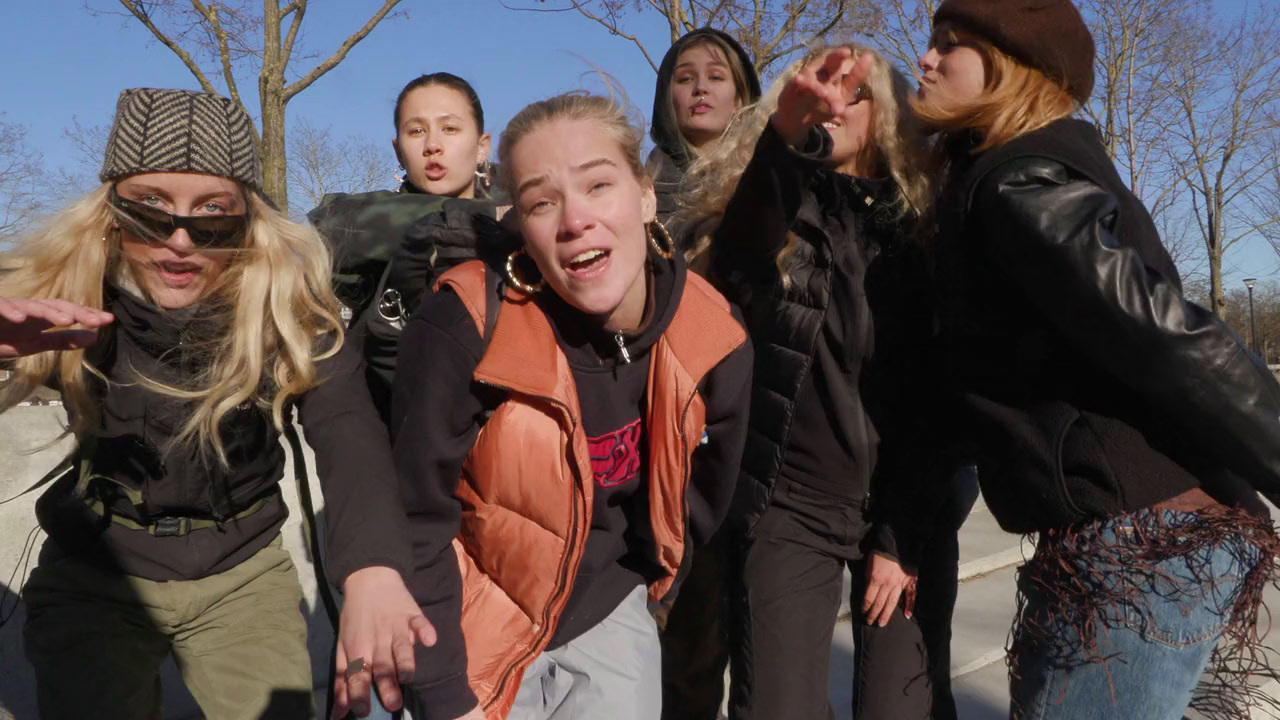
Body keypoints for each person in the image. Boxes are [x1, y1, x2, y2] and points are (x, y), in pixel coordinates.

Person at [914, 0, 1280, 716]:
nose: (924, 59)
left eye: (949, 45)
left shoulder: (1020, 185)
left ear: (1008, 68)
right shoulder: (1025, 169)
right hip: (1154, 538)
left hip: (1140, 550)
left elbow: (1169, 336)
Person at [7, 88, 417, 720]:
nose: (179, 241)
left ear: (247, 219)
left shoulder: (282, 309)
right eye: (150, 210)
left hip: (241, 572)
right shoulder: (63, 294)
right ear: (111, 212)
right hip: (98, 566)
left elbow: (346, 426)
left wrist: (374, 567)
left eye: (213, 215)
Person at [362, 90, 754, 720]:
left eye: (598, 185)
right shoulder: (464, 320)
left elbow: (709, 488)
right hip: (469, 598)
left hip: (605, 601)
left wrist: (650, 574)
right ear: (520, 221)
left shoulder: (713, 333)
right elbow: (418, 519)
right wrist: (442, 696)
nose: (575, 220)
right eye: (543, 201)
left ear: (646, 194)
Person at [679, 44, 937, 719]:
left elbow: (939, 406)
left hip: (902, 509)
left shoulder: (925, 235)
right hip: (791, 504)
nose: (836, 104)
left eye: (856, 93)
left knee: (900, 707)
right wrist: (785, 143)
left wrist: (898, 539)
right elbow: (736, 262)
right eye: (823, 91)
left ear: (888, 118)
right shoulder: (775, 209)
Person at [309, 72, 500, 422]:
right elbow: (330, 227)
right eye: (416, 131)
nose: (432, 145)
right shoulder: (365, 224)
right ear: (398, 150)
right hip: (399, 430)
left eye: (450, 129)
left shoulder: (534, 211)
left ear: (482, 146)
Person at [647, 29, 762, 227]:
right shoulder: (643, 194)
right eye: (685, 78)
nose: (700, 87)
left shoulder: (774, 178)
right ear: (668, 101)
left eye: (716, 77)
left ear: (739, 98)